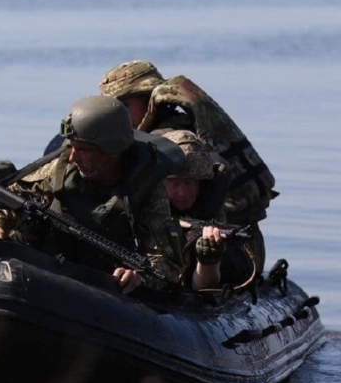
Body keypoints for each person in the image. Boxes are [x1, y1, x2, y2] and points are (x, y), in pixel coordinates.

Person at [0, 95, 184, 295]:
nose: (73, 157)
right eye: (71, 147)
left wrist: (139, 276)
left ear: (112, 150)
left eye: (83, 150)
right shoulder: (59, 171)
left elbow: (167, 263)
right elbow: (11, 197)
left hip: (106, 289)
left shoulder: (146, 190)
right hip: (48, 273)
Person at [98, 59, 276, 274]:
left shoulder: (168, 143)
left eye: (125, 106)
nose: (118, 115)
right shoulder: (180, 125)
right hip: (242, 244)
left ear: (148, 100)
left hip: (224, 252)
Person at [159, 130, 255, 290]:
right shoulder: (147, 212)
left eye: (189, 183)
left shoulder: (215, 218)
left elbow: (206, 289)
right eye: (174, 183)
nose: (182, 193)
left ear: (201, 183)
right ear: (161, 184)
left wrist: (208, 259)